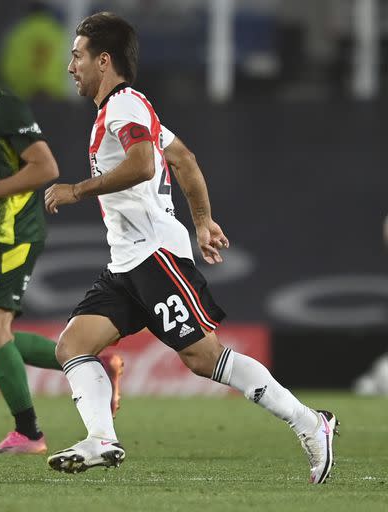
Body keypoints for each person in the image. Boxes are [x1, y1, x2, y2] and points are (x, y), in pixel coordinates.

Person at [43, 12, 339, 483]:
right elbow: (182, 158)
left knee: (204, 357)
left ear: (103, 60)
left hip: (153, 255)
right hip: (127, 262)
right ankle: (101, 439)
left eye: (77, 55)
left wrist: (76, 190)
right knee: (73, 344)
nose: (70, 66)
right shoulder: (130, 109)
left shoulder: (124, 106)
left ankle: (311, 423)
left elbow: (143, 165)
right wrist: (202, 222)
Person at [0, 20, 124, 456]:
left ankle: (29, 433)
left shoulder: (4, 105)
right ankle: (95, 366)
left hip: (16, 226)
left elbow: (46, 168)